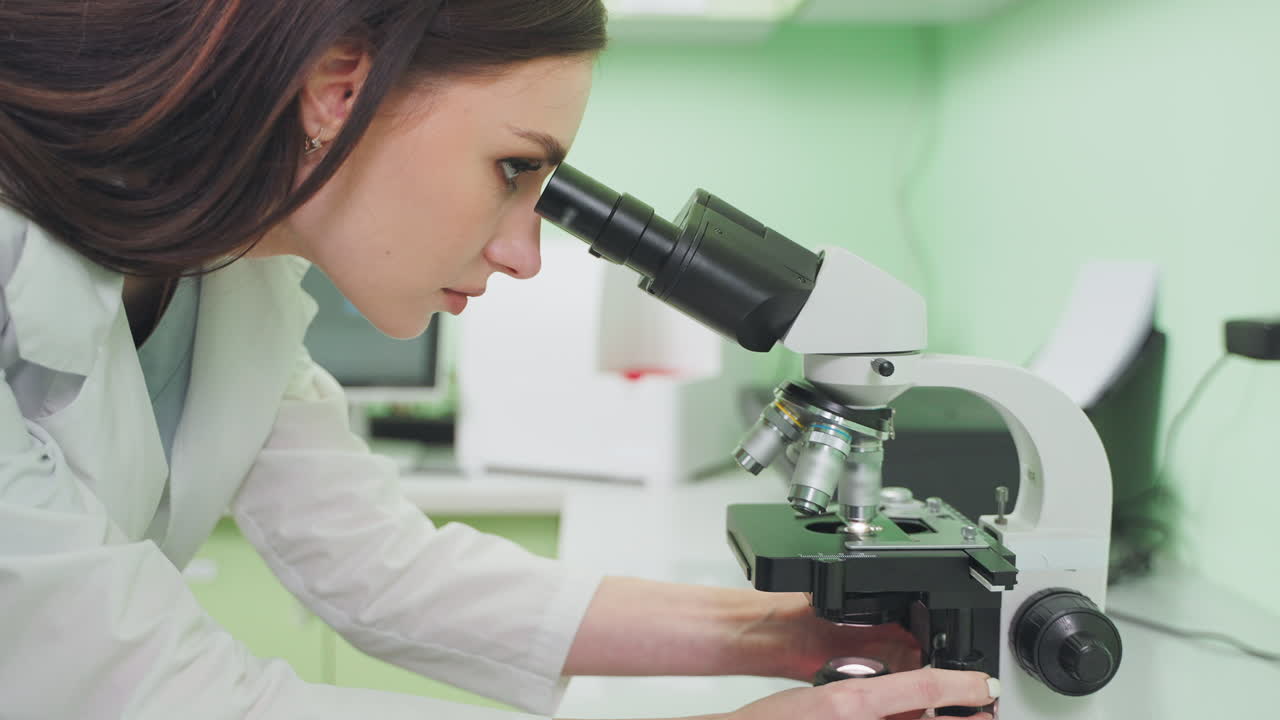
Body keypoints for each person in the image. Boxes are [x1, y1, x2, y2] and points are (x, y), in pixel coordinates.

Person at [0, 2, 998, 719]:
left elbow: (380, 569)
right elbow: (154, 697)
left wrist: (772, 634)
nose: (524, 253)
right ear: (338, 87)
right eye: (513, 170)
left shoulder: (231, 282)